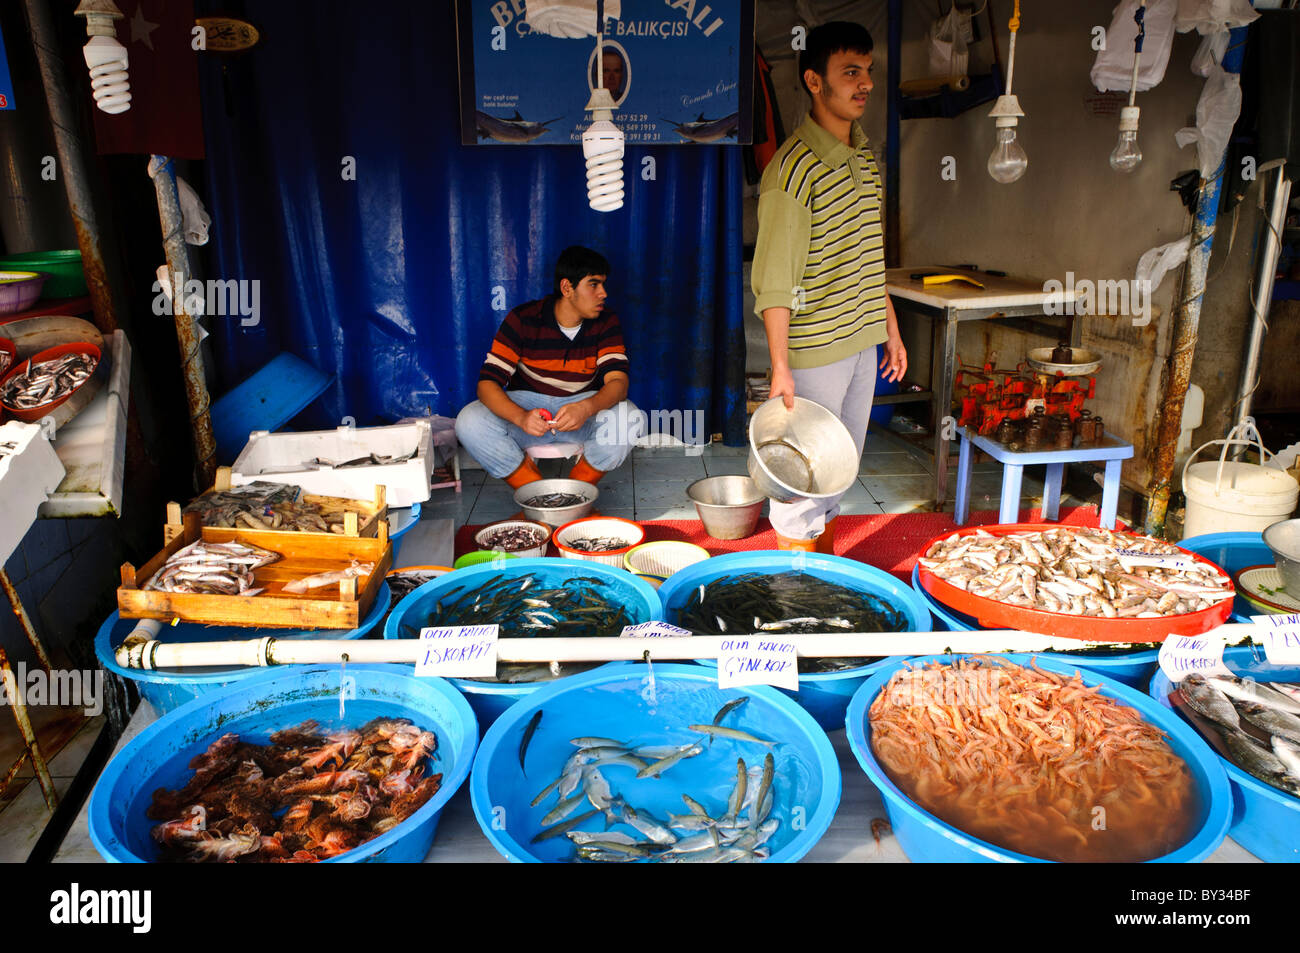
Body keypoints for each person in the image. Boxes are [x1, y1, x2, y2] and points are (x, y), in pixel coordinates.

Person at [751, 21, 907, 554]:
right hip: (815, 354)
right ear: (815, 82)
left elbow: (871, 255)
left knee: (838, 472)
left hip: (862, 343)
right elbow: (774, 283)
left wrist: (890, 329)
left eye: (868, 71)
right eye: (850, 73)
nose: (864, 84)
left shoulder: (865, 157)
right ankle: (795, 593)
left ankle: (822, 571)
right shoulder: (792, 172)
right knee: (802, 483)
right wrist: (779, 365)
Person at [456, 245, 636, 489]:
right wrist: (520, 417)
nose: (603, 293)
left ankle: (575, 496)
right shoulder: (523, 319)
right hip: (529, 410)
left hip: (581, 409)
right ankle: (538, 496)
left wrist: (585, 408)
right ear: (566, 288)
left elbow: (618, 384)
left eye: (603, 284)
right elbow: (487, 384)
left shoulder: (606, 321)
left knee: (629, 418)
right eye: (593, 284)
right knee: (469, 421)